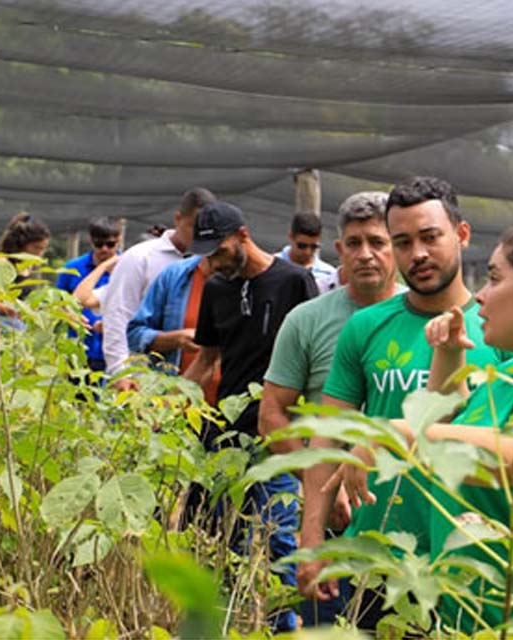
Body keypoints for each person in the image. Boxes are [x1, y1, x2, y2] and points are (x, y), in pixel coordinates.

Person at [336, 208, 513, 635]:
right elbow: (449, 418)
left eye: (493, 278)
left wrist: (396, 434)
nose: (480, 297)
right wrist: (449, 353)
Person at [298, 176, 509, 630]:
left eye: (430, 237)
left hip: (472, 555)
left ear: (462, 234)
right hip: (377, 555)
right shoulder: (365, 327)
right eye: (403, 242)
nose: (418, 254)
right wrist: (312, 537)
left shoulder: (500, 330)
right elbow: (329, 436)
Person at [258, 191, 400, 626]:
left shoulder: (427, 321)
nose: (365, 254)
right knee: (329, 624)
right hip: (334, 518)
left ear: (398, 245)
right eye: (354, 243)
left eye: (377, 242)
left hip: (405, 514)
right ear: (338, 249)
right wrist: (321, 482)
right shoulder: (307, 320)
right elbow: (272, 416)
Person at [182, 202, 318, 631]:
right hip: (228, 436)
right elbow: (207, 359)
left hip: (278, 434)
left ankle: (285, 628)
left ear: (242, 236)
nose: (213, 262)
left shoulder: (294, 281)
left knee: (279, 539)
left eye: (219, 251)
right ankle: (229, 625)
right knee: (223, 538)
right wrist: (169, 401)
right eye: (206, 255)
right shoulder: (217, 288)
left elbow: (317, 357)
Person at [102, 188, 215, 389]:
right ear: (178, 219)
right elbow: (117, 316)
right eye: (193, 226)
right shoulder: (141, 257)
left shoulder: (214, 264)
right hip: (139, 378)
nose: (199, 236)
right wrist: (119, 372)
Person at [126, 254, 221, 402]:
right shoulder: (175, 275)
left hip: (230, 405)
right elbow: (134, 334)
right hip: (174, 403)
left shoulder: (247, 282)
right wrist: (176, 339)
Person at [55, 217, 122, 371]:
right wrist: (69, 316)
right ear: (91, 241)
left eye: (110, 244)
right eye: (99, 244)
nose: (104, 249)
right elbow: (56, 304)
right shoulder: (73, 268)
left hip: (115, 352)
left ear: (119, 240)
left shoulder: (127, 267)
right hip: (79, 350)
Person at [0, 213, 51, 322]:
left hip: (19, 325)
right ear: (21, 243)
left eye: (43, 249)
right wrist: (15, 310)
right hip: (0, 326)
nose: (40, 254)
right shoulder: (1, 264)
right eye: (36, 248)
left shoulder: (27, 264)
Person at [276, 213, 336, 292]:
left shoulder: (329, 275)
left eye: (314, 247)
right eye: (302, 246)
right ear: (291, 237)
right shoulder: (272, 266)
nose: (307, 252)